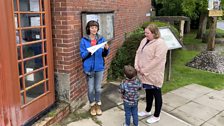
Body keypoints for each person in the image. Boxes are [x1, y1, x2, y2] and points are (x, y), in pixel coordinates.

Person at [134, 24, 168, 124]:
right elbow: (138, 52)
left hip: (153, 74)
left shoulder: (160, 43)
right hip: (143, 73)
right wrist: (136, 65)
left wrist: (144, 69)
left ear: (154, 33)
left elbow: (157, 60)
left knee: (157, 94)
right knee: (148, 92)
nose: (145, 35)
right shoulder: (144, 40)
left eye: (147, 33)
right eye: (145, 32)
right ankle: (147, 111)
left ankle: (156, 115)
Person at [80, 20, 109, 116]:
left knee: (97, 89)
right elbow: (83, 55)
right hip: (89, 68)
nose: (94, 29)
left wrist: (106, 49)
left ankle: (98, 106)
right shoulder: (84, 40)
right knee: (90, 89)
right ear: (88, 28)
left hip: (99, 67)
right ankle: (92, 106)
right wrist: (89, 52)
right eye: (92, 27)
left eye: (96, 27)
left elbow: (105, 54)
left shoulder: (101, 39)